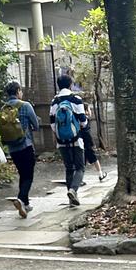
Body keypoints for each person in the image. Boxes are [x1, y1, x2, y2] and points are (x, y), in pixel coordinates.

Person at [0, 81, 40, 218]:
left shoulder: (4, 108)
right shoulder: (25, 105)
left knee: (23, 173)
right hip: (26, 145)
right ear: (17, 91)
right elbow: (36, 125)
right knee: (28, 175)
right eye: (20, 90)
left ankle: (25, 204)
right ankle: (21, 199)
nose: (21, 93)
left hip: (12, 148)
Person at [49, 74, 88, 206]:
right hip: (77, 139)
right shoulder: (76, 99)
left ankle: (71, 200)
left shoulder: (55, 101)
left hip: (61, 141)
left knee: (68, 168)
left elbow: (52, 124)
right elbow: (83, 121)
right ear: (71, 84)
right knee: (80, 167)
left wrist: (59, 134)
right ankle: (73, 190)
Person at [81, 103, 108, 182]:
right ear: (86, 111)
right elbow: (87, 133)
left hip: (81, 143)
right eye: (89, 109)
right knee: (94, 159)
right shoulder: (85, 120)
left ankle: (80, 178)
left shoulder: (79, 120)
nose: (90, 111)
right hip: (87, 143)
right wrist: (92, 144)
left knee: (82, 161)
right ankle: (100, 174)